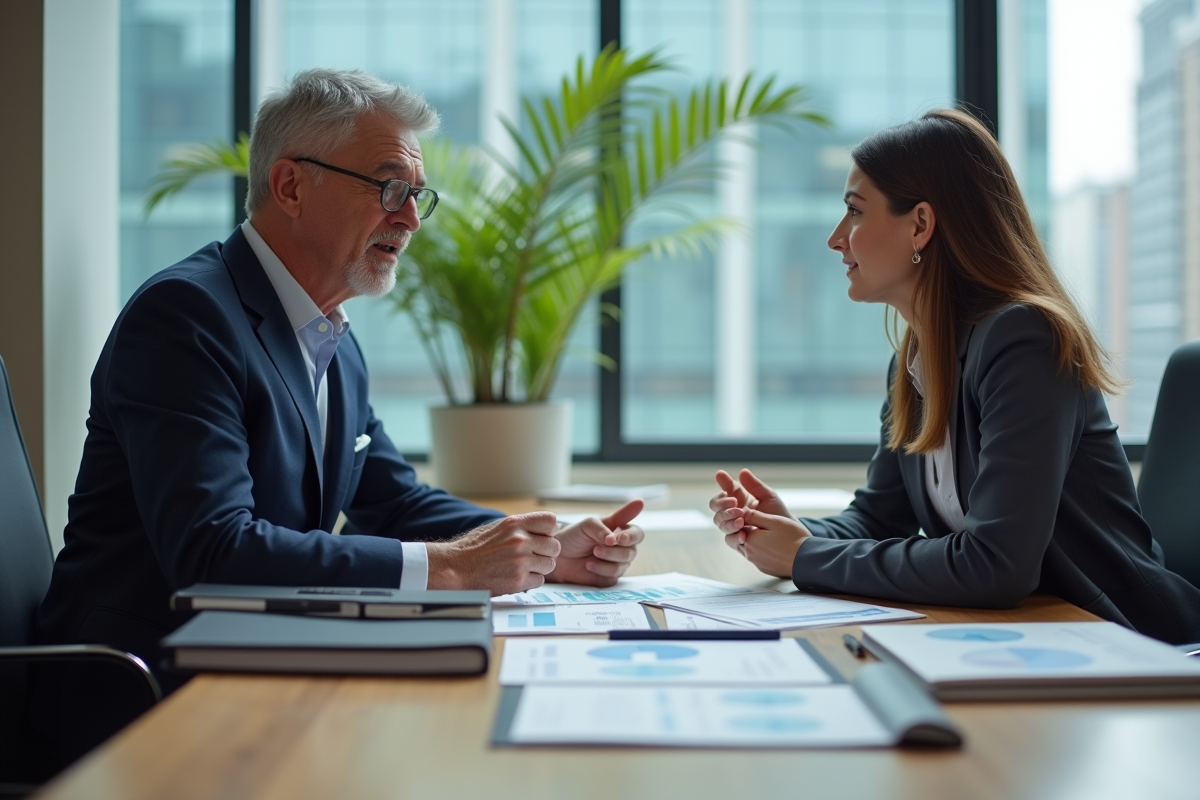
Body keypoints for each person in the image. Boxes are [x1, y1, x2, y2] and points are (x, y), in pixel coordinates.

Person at [33, 69, 644, 760]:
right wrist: (450, 570)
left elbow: (393, 500)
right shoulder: (185, 317)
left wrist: (543, 547)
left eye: (416, 196)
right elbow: (213, 552)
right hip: (144, 700)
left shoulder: (330, 336)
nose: (410, 219)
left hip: (260, 669)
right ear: (291, 185)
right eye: (389, 189)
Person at [709, 108, 1200, 645]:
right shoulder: (917, 358)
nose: (835, 239)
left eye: (853, 212)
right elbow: (879, 520)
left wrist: (805, 556)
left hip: (1127, 643)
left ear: (920, 224)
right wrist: (793, 533)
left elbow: (996, 566)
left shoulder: (1024, 339)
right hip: (1033, 639)